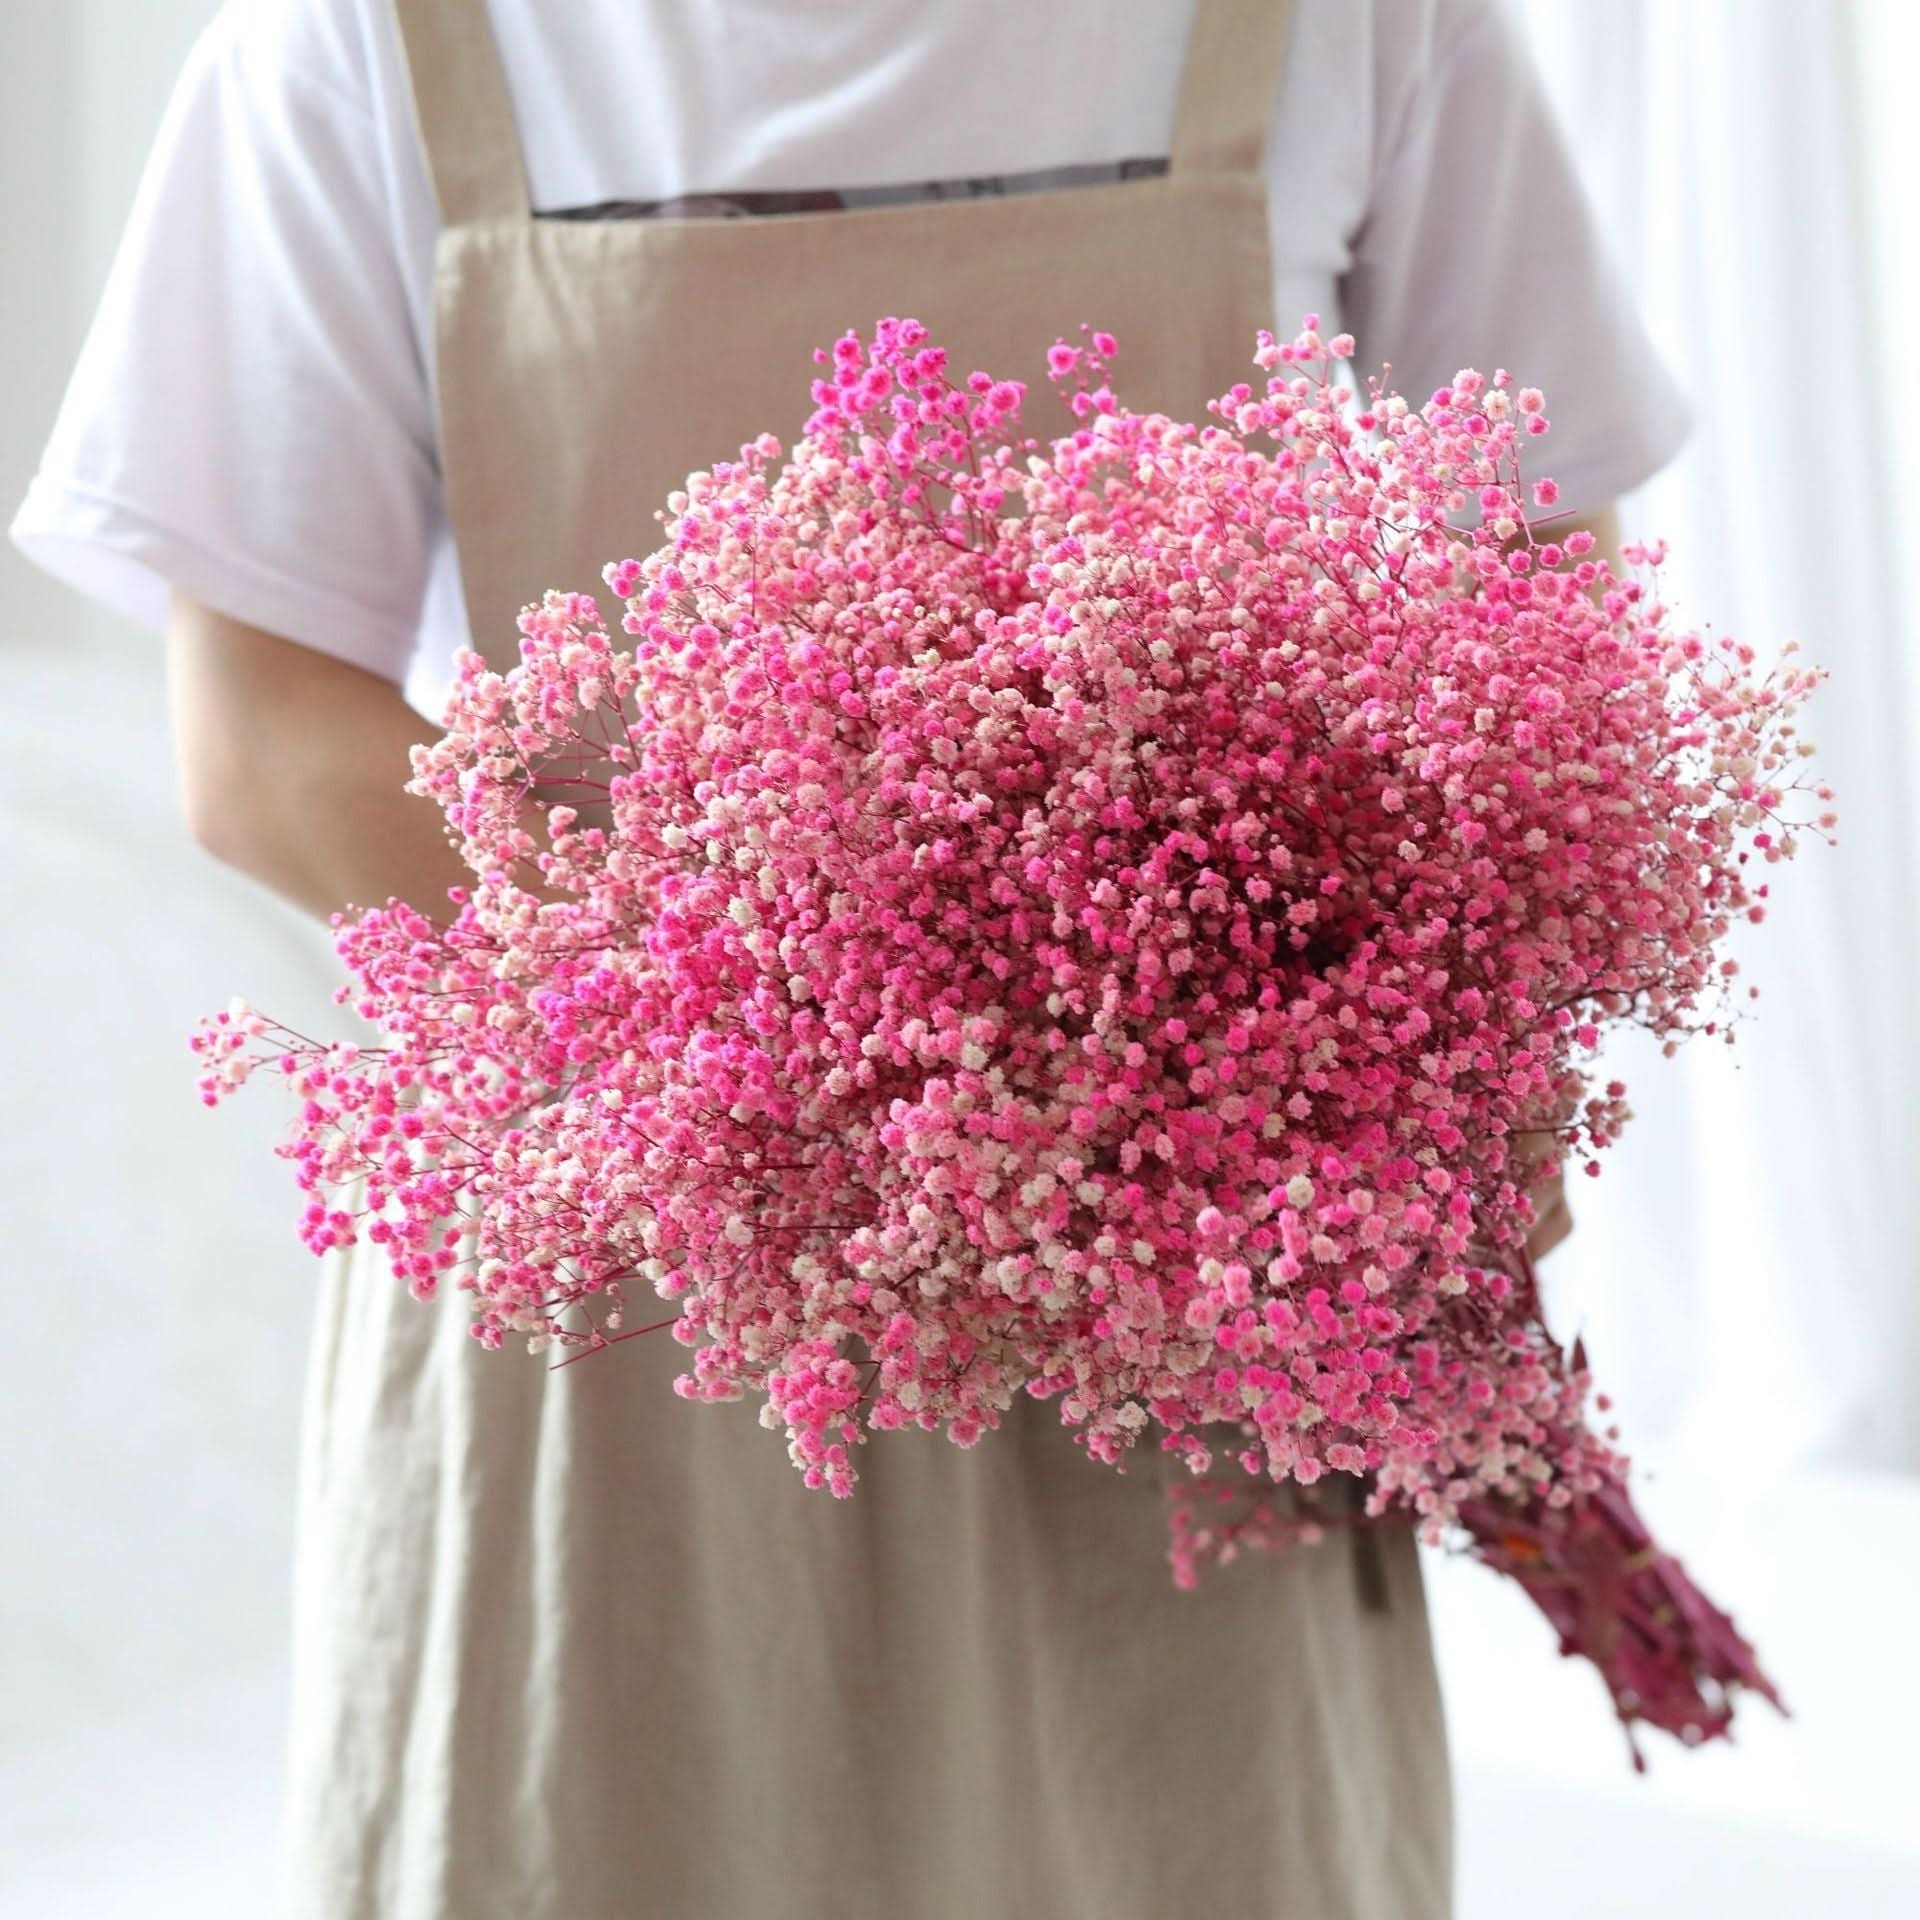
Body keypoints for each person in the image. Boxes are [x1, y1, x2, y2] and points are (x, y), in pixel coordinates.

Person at [11, 2, 1690, 1914]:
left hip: (1195, 1303)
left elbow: (1539, 583)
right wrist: (803, 1077)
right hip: (628, 1300)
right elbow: (257, 740)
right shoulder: (364, 38)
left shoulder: (1353, 22)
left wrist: (1429, 1084)